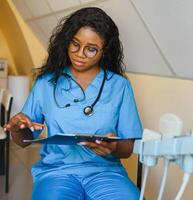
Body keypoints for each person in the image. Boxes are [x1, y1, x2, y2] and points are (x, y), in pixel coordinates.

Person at [4, 7, 142, 200]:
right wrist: (19, 128)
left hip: (105, 172)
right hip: (57, 172)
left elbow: (127, 147)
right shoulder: (46, 83)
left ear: (105, 51)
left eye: (91, 49)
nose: (80, 54)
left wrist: (114, 148)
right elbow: (24, 140)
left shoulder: (119, 86)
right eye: (75, 44)